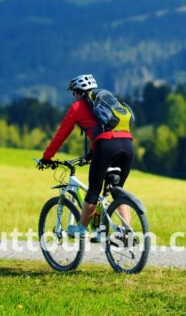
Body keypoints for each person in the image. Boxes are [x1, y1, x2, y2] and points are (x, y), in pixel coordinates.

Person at [38, 74, 134, 237]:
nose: (74, 97)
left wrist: (46, 157)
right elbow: (102, 131)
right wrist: (91, 153)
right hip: (127, 145)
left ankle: (82, 229)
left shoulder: (77, 108)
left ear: (78, 92)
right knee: (117, 190)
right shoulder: (108, 104)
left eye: (74, 93)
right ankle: (125, 231)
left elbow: (61, 135)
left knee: (94, 191)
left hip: (106, 147)